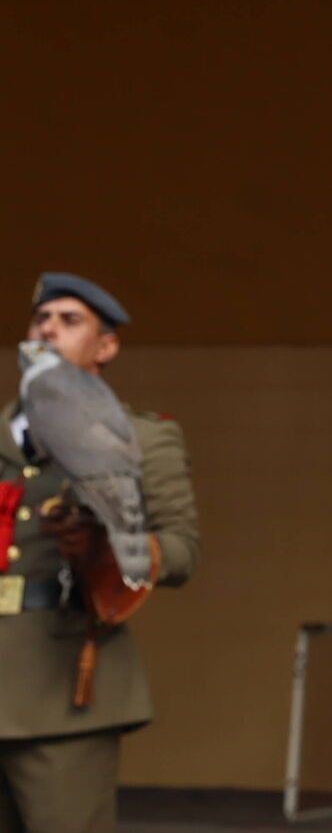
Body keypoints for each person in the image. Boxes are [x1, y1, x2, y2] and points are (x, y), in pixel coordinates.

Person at [1, 274, 201, 833]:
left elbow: (182, 549)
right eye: (42, 319)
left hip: (63, 687)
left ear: (105, 346)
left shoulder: (143, 436)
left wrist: (112, 550)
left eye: (70, 321)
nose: (50, 329)